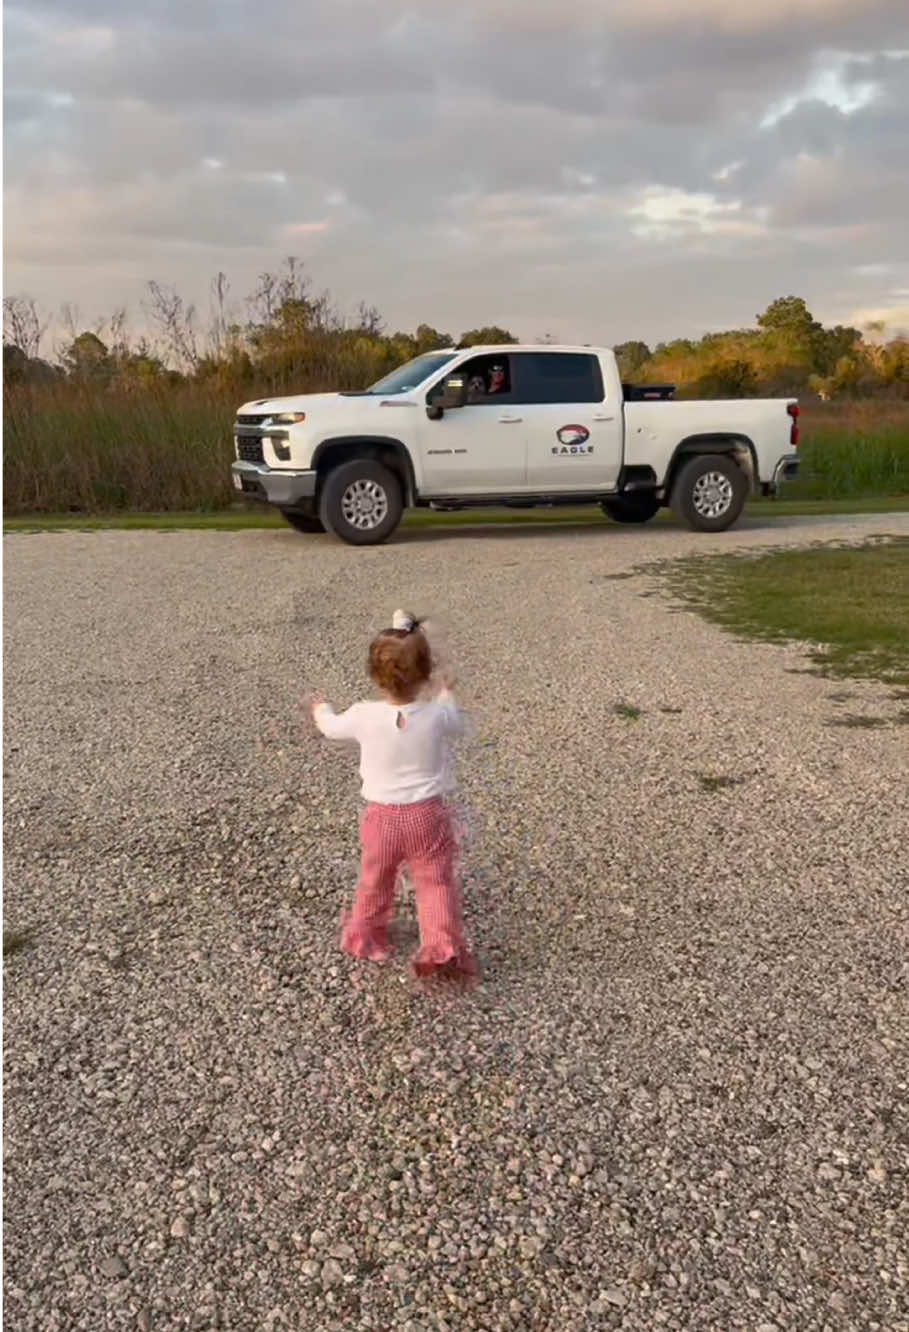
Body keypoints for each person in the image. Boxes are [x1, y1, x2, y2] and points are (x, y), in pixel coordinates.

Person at [310, 611, 477, 981]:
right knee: (435, 882)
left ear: (374, 674)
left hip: (382, 818)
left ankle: (366, 936)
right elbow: (456, 720)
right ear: (426, 674)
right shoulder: (435, 715)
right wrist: (447, 690)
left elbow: (331, 729)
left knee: (375, 877)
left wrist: (321, 709)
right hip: (427, 816)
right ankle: (441, 947)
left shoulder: (361, 715)